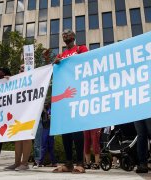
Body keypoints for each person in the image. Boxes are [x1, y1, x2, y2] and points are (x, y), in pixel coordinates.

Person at [52, 29, 88, 174]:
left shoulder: (81, 49)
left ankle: (80, 163)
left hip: (78, 93)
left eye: (67, 33)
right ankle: (68, 163)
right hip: (65, 96)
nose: (65, 35)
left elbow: (88, 63)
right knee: (65, 130)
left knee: (77, 129)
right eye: (63, 34)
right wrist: (55, 63)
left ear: (73, 36)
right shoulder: (60, 55)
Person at [4, 64, 33, 171]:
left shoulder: (34, 78)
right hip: (18, 111)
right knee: (17, 136)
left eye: (23, 68)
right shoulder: (16, 81)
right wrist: (7, 81)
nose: (20, 69)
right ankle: (17, 163)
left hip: (29, 110)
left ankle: (24, 163)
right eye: (20, 68)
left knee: (26, 136)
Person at [35, 102, 58, 167]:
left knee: (50, 146)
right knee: (43, 146)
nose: (45, 105)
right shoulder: (41, 110)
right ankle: (39, 162)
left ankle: (52, 162)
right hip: (44, 128)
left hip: (49, 129)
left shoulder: (51, 110)